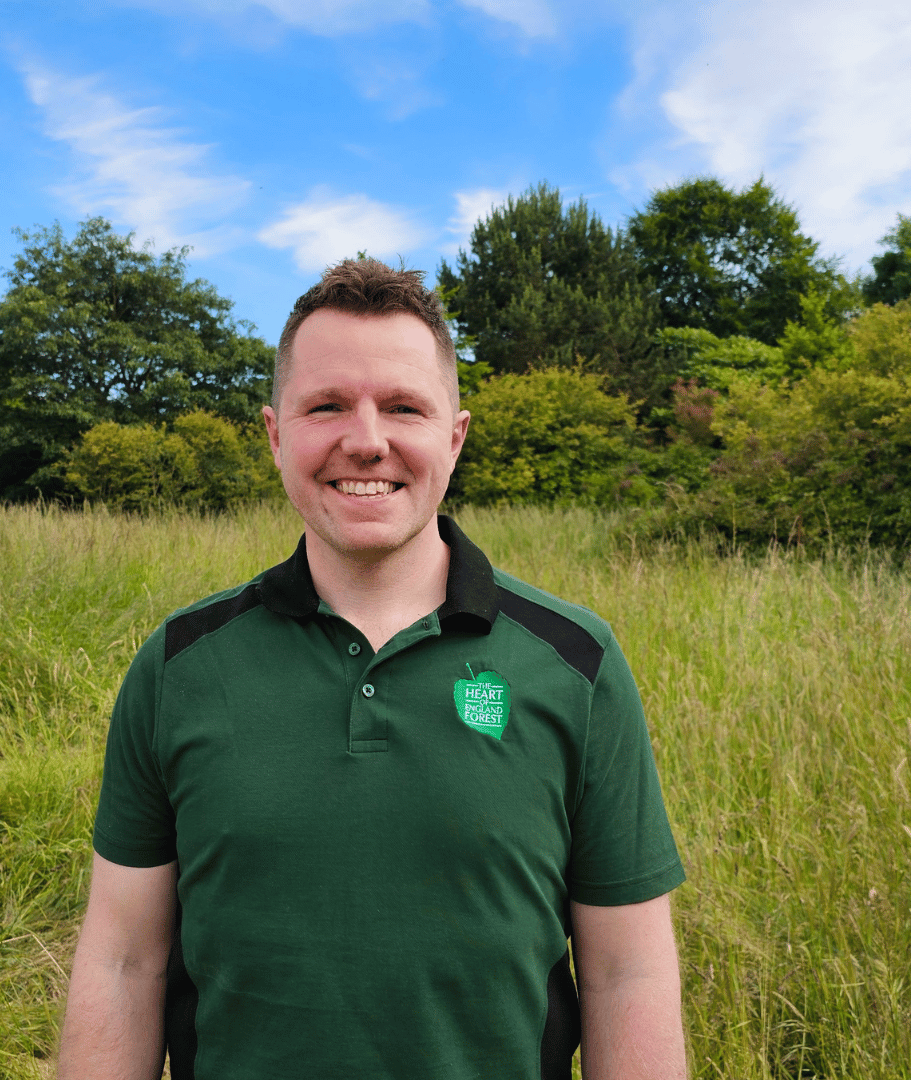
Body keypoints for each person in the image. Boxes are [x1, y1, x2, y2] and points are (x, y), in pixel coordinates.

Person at [58, 259, 687, 1080]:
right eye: (326, 406)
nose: (366, 439)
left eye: (402, 407)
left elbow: (625, 972)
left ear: (453, 437)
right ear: (276, 433)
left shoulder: (574, 664)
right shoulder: (181, 665)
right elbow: (120, 963)